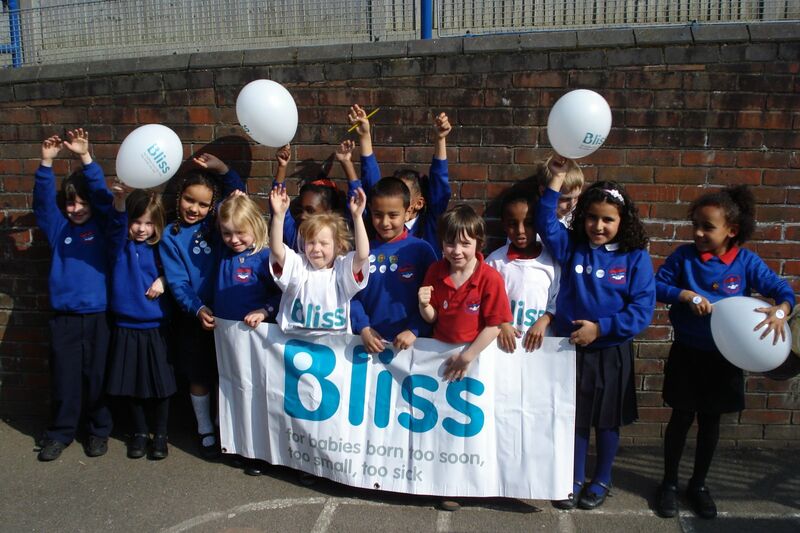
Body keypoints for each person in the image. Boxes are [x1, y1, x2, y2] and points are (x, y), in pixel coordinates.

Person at [654, 185, 795, 520]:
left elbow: (782, 291)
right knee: (680, 418)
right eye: (696, 226)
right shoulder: (683, 256)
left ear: (731, 230)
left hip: (724, 358)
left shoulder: (746, 261)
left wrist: (782, 311)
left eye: (708, 227)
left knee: (710, 422)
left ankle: (698, 485)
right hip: (688, 353)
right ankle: (669, 484)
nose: (699, 233)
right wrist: (685, 295)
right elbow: (658, 285)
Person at [536, 160, 655, 511]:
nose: (598, 226)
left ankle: (601, 478)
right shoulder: (572, 247)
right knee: (575, 418)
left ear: (622, 222)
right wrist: (556, 177)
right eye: (592, 218)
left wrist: (601, 328)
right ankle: (572, 477)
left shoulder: (634, 258)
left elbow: (641, 310)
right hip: (571, 352)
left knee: (606, 421)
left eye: (608, 220)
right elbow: (544, 221)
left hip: (610, 353)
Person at [417, 204, 512, 511]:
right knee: (437, 425)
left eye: (465, 243)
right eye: (449, 242)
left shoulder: (489, 278)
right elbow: (432, 319)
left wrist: (468, 356)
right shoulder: (435, 270)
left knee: (466, 429)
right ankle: (436, 480)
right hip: (439, 360)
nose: (456, 250)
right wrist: (423, 305)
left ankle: (462, 484)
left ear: (478, 244)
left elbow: (495, 325)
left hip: (474, 361)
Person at [33, 129, 114, 461]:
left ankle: (99, 430)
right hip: (65, 319)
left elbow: (106, 201)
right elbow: (42, 205)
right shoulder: (59, 229)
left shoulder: (103, 227)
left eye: (82, 202)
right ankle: (60, 432)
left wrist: (85, 158)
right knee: (65, 380)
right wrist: (46, 163)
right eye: (70, 202)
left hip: (98, 318)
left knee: (98, 379)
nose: (76, 208)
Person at [160, 153, 245, 459]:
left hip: (227, 313)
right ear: (179, 196)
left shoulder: (216, 224)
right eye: (188, 200)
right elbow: (178, 282)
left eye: (202, 204)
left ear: (211, 207)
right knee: (198, 375)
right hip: (195, 317)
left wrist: (223, 168)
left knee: (229, 374)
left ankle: (229, 430)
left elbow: (239, 197)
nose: (193, 208)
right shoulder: (169, 235)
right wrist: (196, 309)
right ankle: (205, 428)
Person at [105, 187, 175, 460]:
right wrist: (119, 204)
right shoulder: (119, 247)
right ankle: (139, 432)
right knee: (131, 385)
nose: (142, 229)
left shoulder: (161, 249)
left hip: (155, 327)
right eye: (137, 222)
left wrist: (164, 281)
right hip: (126, 326)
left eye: (149, 223)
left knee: (161, 386)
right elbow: (114, 227)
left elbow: (179, 272)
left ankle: (160, 435)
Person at [214, 192, 281, 476]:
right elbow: (216, 217)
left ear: (255, 225)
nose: (234, 239)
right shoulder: (224, 254)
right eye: (227, 233)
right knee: (233, 391)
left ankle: (260, 452)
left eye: (240, 232)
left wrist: (264, 311)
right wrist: (230, 197)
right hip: (226, 338)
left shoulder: (263, 257)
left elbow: (283, 295)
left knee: (257, 395)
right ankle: (238, 444)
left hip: (256, 339)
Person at [350, 104, 452, 257]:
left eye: (403, 193)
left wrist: (440, 139)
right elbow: (372, 185)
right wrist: (365, 136)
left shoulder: (430, 225)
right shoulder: (378, 227)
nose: (385, 221)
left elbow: (440, 186)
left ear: (417, 204)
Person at [350, 177, 437, 354]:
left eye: (393, 215)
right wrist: (363, 327)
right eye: (378, 214)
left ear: (408, 212)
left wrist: (415, 330)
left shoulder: (421, 250)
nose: (385, 222)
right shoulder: (361, 251)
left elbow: (435, 297)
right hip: (366, 344)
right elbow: (349, 294)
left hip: (413, 348)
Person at [268, 184, 370, 335]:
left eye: (324, 244)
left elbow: (362, 255)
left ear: (338, 245)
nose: (316, 249)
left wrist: (357, 217)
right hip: (293, 343)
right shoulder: (299, 265)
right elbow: (277, 250)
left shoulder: (342, 269)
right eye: (311, 242)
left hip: (333, 347)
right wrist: (278, 216)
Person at [486, 184, 560, 353]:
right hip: (502, 348)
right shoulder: (494, 263)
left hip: (543, 348)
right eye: (513, 224)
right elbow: (484, 300)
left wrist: (544, 320)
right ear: (504, 225)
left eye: (528, 223)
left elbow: (559, 300)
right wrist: (502, 323)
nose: (520, 231)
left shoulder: (552, 261)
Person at [272, 144, 348, 251]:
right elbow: (278, 203)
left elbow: (357, 198)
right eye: (301, 209)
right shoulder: (295, 237)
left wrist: (347, 163)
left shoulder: (340, 241)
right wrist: (282, 167)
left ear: (329, 212)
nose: (303, 216)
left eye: (310, 211)